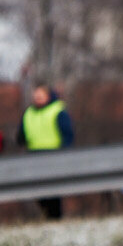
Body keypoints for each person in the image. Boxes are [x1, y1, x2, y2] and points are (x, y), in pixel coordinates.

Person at [17, 83, 75, 220]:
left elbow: (67, 134)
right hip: (34, 156)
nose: (37, 99)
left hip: (53, 156)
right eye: (35, 96)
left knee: (53, 191)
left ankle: (55, 218)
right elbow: (21, 135)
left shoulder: (57, 110)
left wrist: (64, 152)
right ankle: (49, 216)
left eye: (40, 96)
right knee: (39, 191)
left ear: (48, 96)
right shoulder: (29, 113)